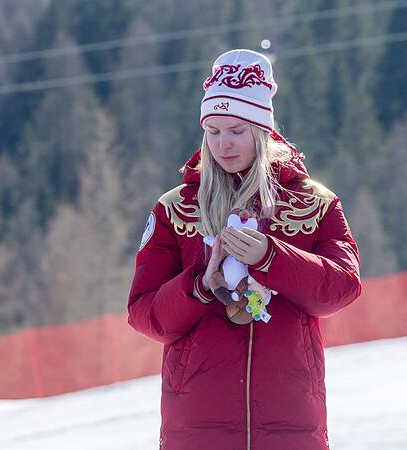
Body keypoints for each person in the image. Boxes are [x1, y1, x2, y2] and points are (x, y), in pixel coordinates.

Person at [127, 49, 362, 450]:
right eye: (213, 131)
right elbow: (145, 315)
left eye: (236, 130)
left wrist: (271, 258)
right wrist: (201, 285)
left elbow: (342, 288)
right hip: (197, 427)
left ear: (262, 129)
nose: (223, 144)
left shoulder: (314, 203)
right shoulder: (175, 208)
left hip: (290, 423)